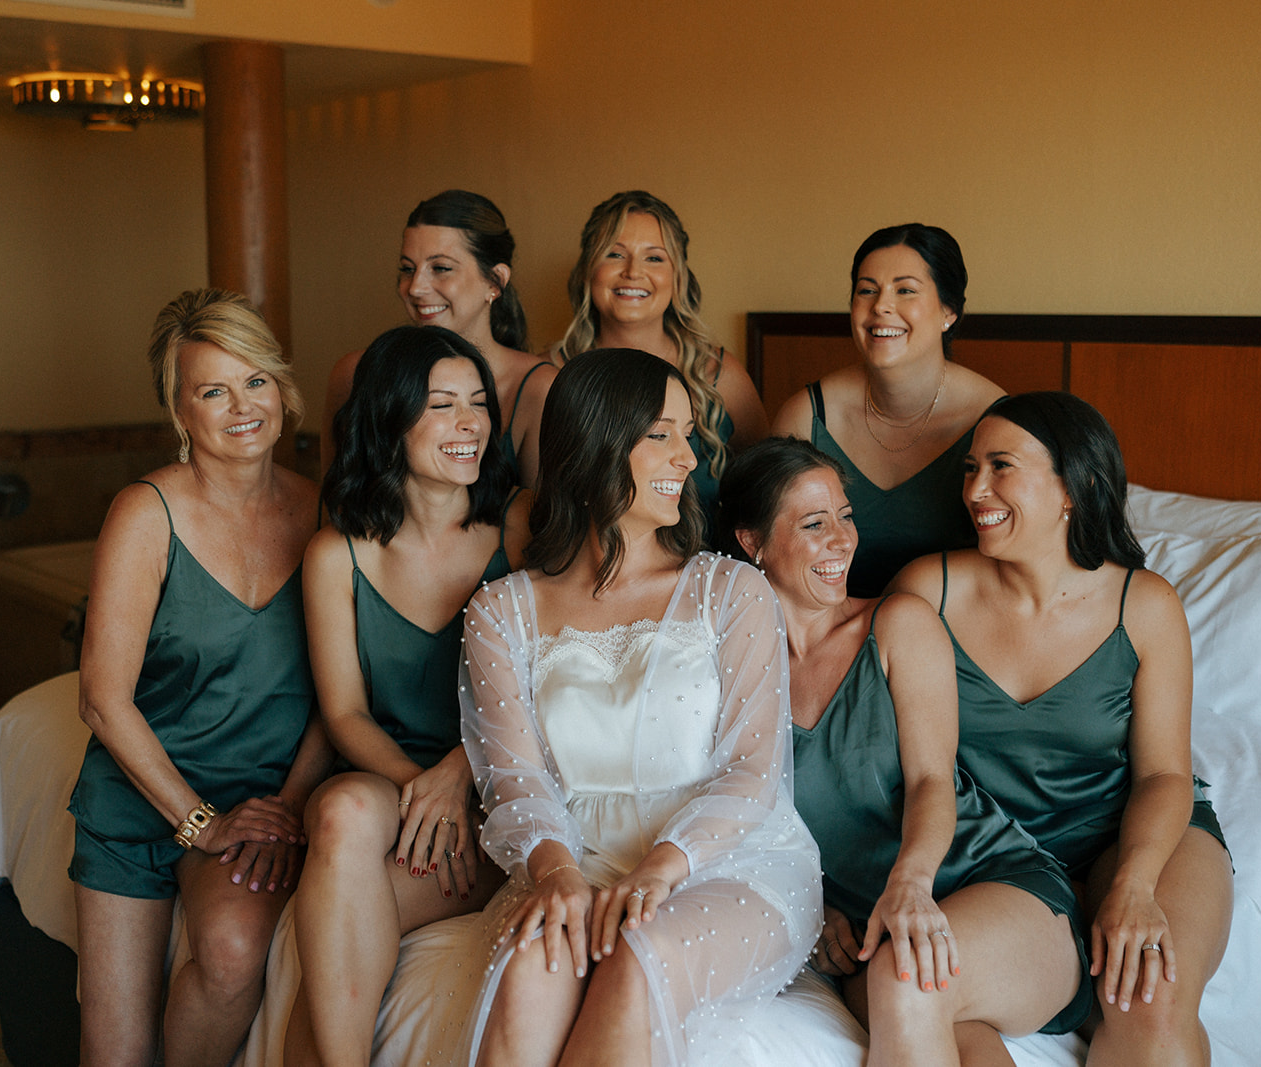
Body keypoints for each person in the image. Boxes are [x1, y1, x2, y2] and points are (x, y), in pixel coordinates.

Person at [458, 349, 820, 1066]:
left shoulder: (732, 592)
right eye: (663, 432)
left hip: (727, 862)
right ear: (597, 439)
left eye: (688, 433)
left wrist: (658, 870)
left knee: (635, 952)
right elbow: (515, 780)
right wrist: (559, 873)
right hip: (575, 857)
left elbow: (752, 771)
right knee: (532, 970)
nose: (688, 457)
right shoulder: (501, 612)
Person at [720, 436, 1088, 1065]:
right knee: (954, 1033)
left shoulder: (898, 624)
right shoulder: (725, 670)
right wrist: (813, 910)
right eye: (815, 524)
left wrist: (912, 885)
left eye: (846, 516)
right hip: (869, 930)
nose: (842, 540)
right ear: (752, 543)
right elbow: (730, 818)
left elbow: (931, 782)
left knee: (906, 979)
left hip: (993, 887)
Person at [893, 392, 1233, 1066]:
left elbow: (1164, 773)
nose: (975, 489)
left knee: (1152, 1003)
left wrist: (1134, 886)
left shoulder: (1146, 606)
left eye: (1000, 466)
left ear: (1076, 487)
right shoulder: (929, 590)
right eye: (969, 468)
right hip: (992, 855)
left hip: (1134, 835)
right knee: (935, 996)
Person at [69, 288, 334, 1067]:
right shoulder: (145, 512)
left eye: (255, 380)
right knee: (113, 1053)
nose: (240, 404)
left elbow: (338, 694)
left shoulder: (323, 515)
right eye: (211, 390)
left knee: (229, 958)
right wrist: (198, 822)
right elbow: (101, 699)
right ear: (181, 414)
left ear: (283, 392)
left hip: (253, 797)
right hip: (136, 797)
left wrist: (287, 803)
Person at [285, 325, 529, 1065]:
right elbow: (344, 713)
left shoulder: (518, 527)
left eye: (479, 403)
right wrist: (424, 789)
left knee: (333, 933)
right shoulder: (336, 552)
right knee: (338, 810)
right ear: (390, 417)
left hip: (498, 782)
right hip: (393, 776)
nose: (470, 424)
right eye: (442, 404)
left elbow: (549, 687)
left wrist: (460, 775)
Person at [772, 224, 1003, 597]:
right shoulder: (805, 418)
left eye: (905, 290)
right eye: (867, 290)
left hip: (957, 636)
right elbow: (772, 556)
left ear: (949, 311)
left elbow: (1021, 569)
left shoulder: (998, 423)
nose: (881, 305)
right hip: (827, 633)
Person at [556, 190, 768, 538]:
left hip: (709, 580)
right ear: (587, 271)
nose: (632, 272)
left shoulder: (718, 373)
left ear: (678, 275)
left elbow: (767, 492)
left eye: (654, 258)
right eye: (614, 254)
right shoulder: (547, 376)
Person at [323, 190, 554, 487]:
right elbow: (333, 501)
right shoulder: (355, 372)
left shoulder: (539, 388)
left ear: (495, 281)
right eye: (408, 269)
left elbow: (548, 522)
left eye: (441, 268)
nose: (415, 287)